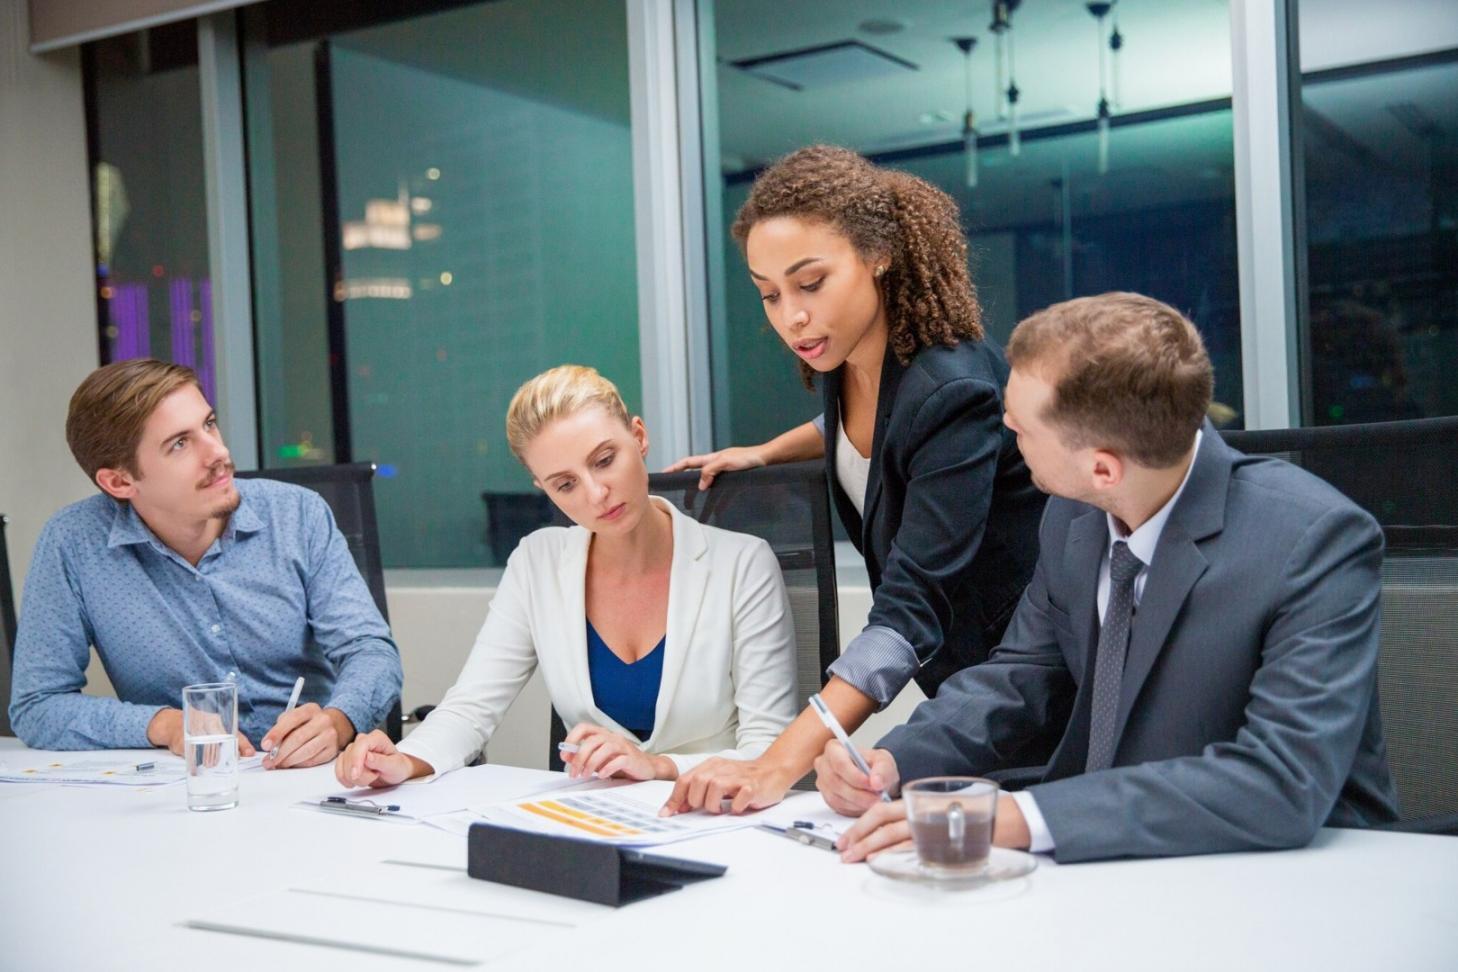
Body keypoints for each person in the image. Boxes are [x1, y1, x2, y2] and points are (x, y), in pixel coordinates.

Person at [820, 292, 1401, 863]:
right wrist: (895, 761)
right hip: (1112, 867)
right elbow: (1022, 674)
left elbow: (1282, 782)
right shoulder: (1076, 513)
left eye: (1020, 431)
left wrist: (1024, 819)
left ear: (1103, 467)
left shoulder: (1314, 539)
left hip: (1291, 875)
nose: (1006, 434)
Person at [661, 145, 1045, 815]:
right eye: (770, 294)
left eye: (811, 283)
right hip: (960, 681)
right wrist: (767, 451)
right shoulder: (857, 354)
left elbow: (910, 607)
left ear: (878, 254)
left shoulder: (952, 390)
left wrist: (776, 764)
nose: (792, 317)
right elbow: (856, 429)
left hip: (1023, 687)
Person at [334, 365, 797, 787]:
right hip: (592, 823)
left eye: (604, 460)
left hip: (717, 821)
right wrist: (404, 759)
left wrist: (658, 767)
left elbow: (768, 749)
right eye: (566, 484)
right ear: (545, 490)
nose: (596, 494)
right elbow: (471, 708)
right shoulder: (537, 562)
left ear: (638, 437)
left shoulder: (741, 564)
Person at [10, 359, 402, 767]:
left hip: (311, 778)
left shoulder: (297, 515)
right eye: (180, 443)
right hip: (185, 791)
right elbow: (38, 706)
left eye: (209, 424)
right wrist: (165, 726)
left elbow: (369, 650)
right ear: (120, 482)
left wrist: (339, 722)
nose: (218, 452)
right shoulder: (73, 543)